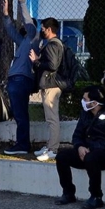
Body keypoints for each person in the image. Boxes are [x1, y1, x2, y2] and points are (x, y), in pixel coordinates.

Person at [54, 85, 105, 209]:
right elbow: (77, 134)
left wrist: (91, 148)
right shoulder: (85, 113)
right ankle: (68, 193)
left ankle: (96, 196)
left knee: (91, 158)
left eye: (85, 99)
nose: (83, 101)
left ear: (94, 102)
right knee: (62, 157)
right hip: (86, 151)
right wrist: (79, 147)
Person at [3, 0, 39, 156]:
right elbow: (11, 31)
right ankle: (22, 143)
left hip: (20, 80)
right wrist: (5, 15)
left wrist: (21, 0)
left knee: (20, 114)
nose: (24, 26)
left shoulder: (33, 36)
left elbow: (27, 21)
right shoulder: (24, 40)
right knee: (19, 114)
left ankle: (22, 144)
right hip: (16, 80)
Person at [31, 18, 65, 162]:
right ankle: (50, 145)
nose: (41, 30)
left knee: (52, 118)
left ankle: (53, 149)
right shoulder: (55, 44)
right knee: (50, 118)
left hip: (51, 86)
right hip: (51, 85)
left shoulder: (52, 45)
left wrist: (36, 61)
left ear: (49, 29)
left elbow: (52, 65)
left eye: (43, 28)